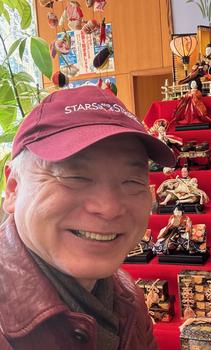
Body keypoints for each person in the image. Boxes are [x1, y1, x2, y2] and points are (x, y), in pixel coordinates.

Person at [0, 85, 176, 349]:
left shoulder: (129, 298)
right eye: (75, 177)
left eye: (131, 180)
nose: (109, 208)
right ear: (14, 188)